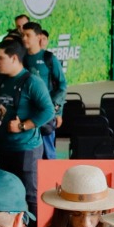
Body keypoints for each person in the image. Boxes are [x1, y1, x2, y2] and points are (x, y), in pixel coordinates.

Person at [0, 36, 53, 227]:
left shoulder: (32, 81)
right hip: (4, 145)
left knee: (29, 194)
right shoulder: (0, 79)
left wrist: (24, 125)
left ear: (14, 58)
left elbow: (48, 110)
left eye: (0, 58)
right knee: (9, 190)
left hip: (26, 148)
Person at [21, 22, 65, 161]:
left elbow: (62, 85)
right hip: (26, 114)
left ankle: (51, 181)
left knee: (48, 153)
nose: (24, 39)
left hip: (45, 112)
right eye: (23, 35)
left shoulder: (49, 58)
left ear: (39, 37)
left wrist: (57, 111)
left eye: (28, 35)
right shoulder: (20, 59)